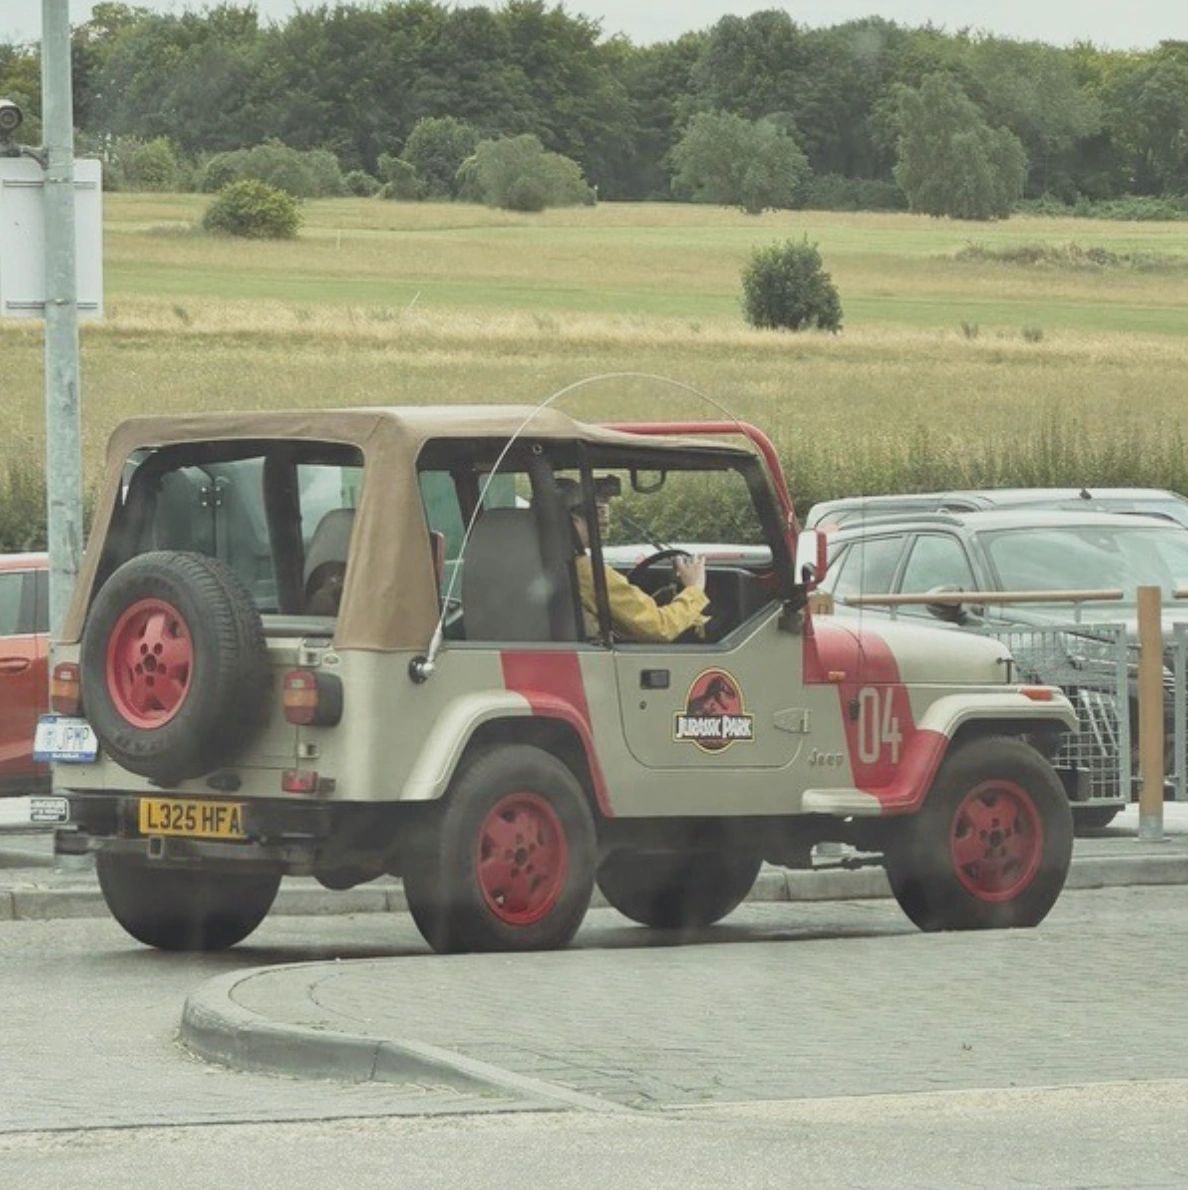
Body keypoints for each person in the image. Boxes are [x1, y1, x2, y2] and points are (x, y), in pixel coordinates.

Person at [557, 476, 709, 643]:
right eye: (593, 515)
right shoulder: (585, 570)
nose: (601, 522)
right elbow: (659, 628)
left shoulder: (543, 564)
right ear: (574, 520)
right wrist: (694, 589)